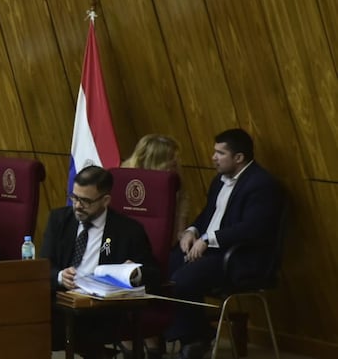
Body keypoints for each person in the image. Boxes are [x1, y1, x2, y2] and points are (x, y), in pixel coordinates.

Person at [166, 128, 282, 359]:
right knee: (164, 268)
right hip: (211, 251)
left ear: (238, 158)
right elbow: (207, 216)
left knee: (182, 280)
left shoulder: (261, 184)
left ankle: (194, 339)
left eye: (220, 153)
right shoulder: (218, 180)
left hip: (238, 257)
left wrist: (208, 239)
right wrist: (191, 231)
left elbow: (252, 229)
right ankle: (195, 335)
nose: (213, 157)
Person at [40, 165, 161, 358]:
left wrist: (134, 272)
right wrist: (61, 276)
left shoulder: (128, 230)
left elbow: (154, 274)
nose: (78, 205)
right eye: (74, 197)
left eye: (85, 201)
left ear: (105, 200)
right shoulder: (59, 220)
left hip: (101, 309)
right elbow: (43, 265)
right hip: (62, 302)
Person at [120, 134, 189, 358]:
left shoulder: (174, 184)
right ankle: (131, 343)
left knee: (155, 273)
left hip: (160, 252)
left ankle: (152, 341)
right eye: (172, 158)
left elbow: (178, 231)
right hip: (127, 248)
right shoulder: (123, 178)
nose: (177, 163)